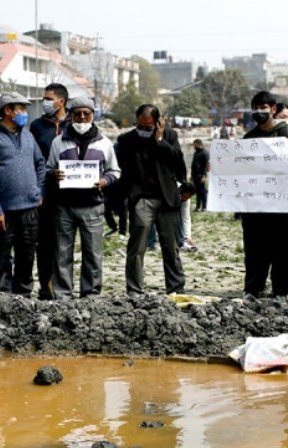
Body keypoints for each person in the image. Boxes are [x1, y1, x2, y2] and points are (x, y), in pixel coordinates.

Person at [47, 96, 120, 298]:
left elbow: (115, 171)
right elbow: (48, 168)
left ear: (92, 115)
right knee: (62, 254)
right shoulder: (58, 142)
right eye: (77, 113)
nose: (81, 117)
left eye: (86, 113)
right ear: (70, 115)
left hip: (93, 206)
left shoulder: (105, 143)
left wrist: (105, 181)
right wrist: (54, 175)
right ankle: (63, 295)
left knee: (93, 255)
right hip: (64, 207)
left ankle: (91, 294)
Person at [115, 104, 187, 296]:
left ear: (158, 123)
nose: (143, 129)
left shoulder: (169, 135)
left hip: (166, 199)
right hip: (141, 199)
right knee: (137, 247)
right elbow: (122, 171)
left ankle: (176, 288)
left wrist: (160, 139)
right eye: (140, 125)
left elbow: (177, 161)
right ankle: (134, 289)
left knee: (171, 247)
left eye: (148, 127)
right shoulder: (127, 139)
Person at [240, 90, 288, 300]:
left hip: (284, 203)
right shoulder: (248, 138)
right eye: (255, 108)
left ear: (273, 109)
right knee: (255, 248)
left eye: (263, 108)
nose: (259, 112)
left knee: (284, 248)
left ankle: (282, 289)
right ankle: (253, 289)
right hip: (256, 205)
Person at [0, 92, 44, 294]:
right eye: (20, 109)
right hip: (4, 211)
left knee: (27, 256)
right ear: (7, 111)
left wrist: (39, 191)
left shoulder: (28, 135)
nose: (24, 113)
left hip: (29, 208)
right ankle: (3, 298)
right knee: (2, 258)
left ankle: (24, 296)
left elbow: (40, 164)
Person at [30, 83, 70, 299]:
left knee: (64, 242)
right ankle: (45, 285)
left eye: (48, 98)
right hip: (44, 193)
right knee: (44, 242)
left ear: (60, 101)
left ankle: (64, 285)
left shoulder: (75, 123)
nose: (44, 102)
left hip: (70, 193)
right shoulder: (37, 126)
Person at [190, 139, 209, 211]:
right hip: (195, 175)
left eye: (195, 145)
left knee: (203, 191)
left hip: (201, 175)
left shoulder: (205, 153)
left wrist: (204, 176)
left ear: (199, 144)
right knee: (197, 192)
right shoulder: (196, 153)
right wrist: (192, 175)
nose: (194, 146)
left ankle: (204, 207)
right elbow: (193, 165)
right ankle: (198, 207)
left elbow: (205, 165)